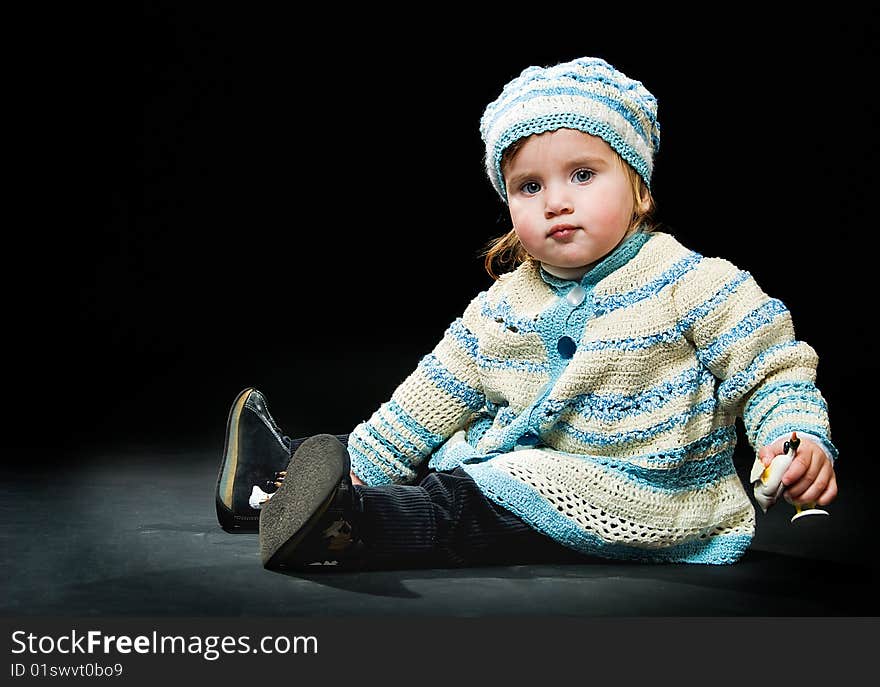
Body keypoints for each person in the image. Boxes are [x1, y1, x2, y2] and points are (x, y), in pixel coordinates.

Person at [215, 56, 838, 571]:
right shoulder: (505, 304)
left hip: (643, 496)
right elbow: (427, 400)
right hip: (518, 474)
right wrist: (359, 461)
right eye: (530, 186)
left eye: (584, 174)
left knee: (463, 501)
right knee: (445, 460)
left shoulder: (696, 284)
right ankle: (278, 485)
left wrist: (796, 437)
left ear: (640, 187)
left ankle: (350, 526)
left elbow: (772, 370)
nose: (556, 202)